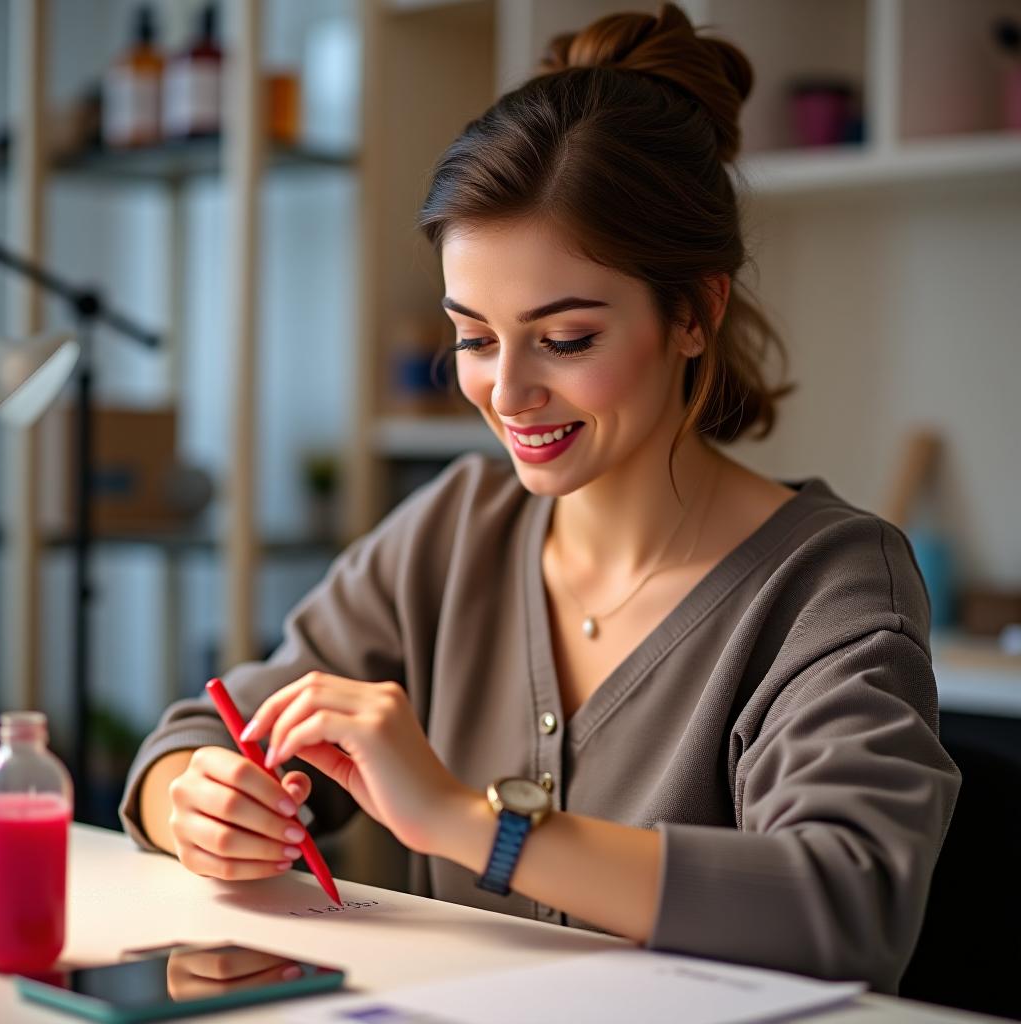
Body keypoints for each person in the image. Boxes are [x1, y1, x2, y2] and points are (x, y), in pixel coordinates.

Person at [120, 3, 960, 994]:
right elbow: (198, 733)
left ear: (695, 311)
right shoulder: (451, 529)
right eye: (474, 336)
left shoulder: (829, 581)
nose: (506, 393)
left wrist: (474, 827)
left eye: (563, 340)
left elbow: (846, 901)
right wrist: (200, 803)